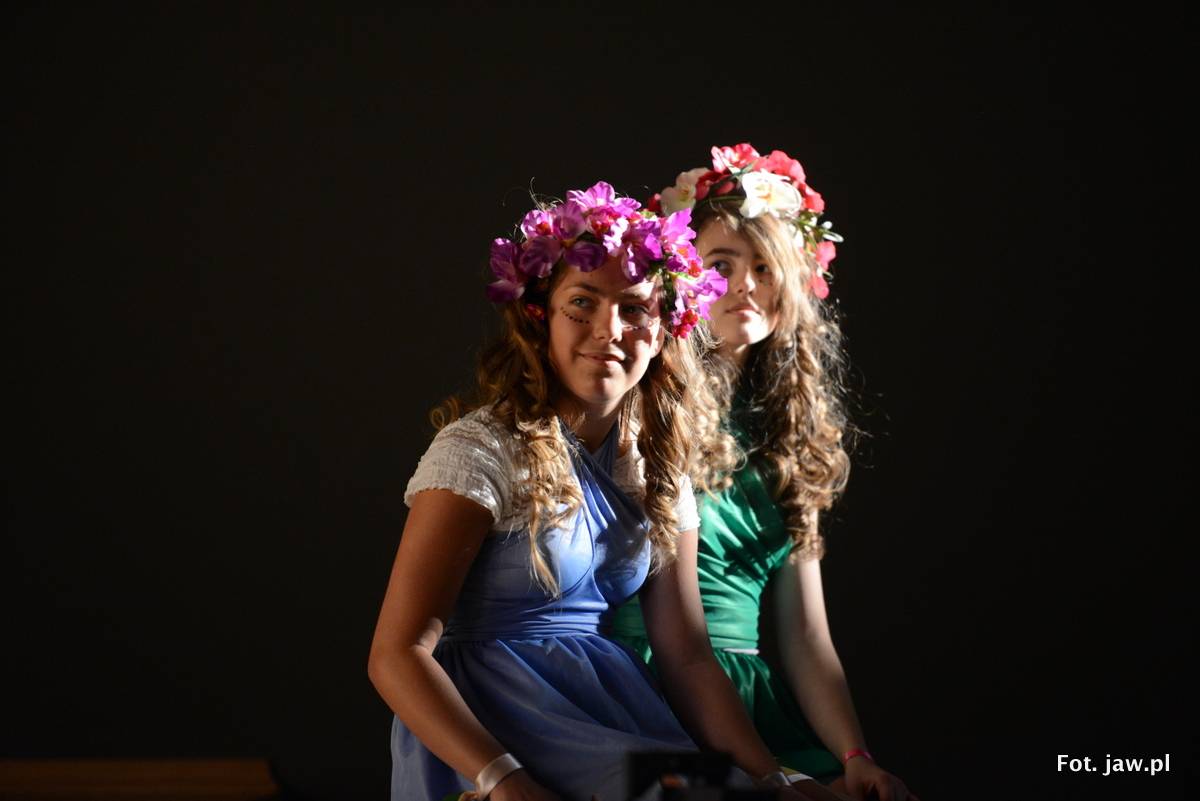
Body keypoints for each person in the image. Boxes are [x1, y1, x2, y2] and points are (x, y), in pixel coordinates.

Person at [367, 181, 847, 801]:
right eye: (581, 304)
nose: (608, 330)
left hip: (612, 721)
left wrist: (774, 778)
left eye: (635, 309)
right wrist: (503, 780)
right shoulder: (481, 449)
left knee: (736, 794)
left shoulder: (657, 469)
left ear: (665, 329)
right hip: (494, 734)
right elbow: (396, 654)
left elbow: (688, 658)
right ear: (540, 317)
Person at [612, 145, 918, 801]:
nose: (746, 284)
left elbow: (806, 634)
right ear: (683, 277)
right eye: (721, 264)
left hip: (751, 699)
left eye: (763, 267)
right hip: (647, 685)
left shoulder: (788, 440)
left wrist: (855, 754)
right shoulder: (641, 405)